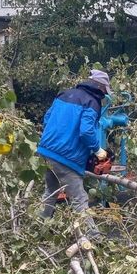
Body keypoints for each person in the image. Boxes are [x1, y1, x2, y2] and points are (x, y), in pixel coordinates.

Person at [36, 69, 111, 233]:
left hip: (46, 151)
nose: (105, 94)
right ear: (100, 87)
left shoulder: (64, 93)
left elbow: (47, 118)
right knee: (79, 198)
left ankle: (38, 230)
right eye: (105, 90)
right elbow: (86, 131)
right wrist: (97, 150)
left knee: (50, 191)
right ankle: (94, 238)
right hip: (65, 156)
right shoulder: (92, 101)